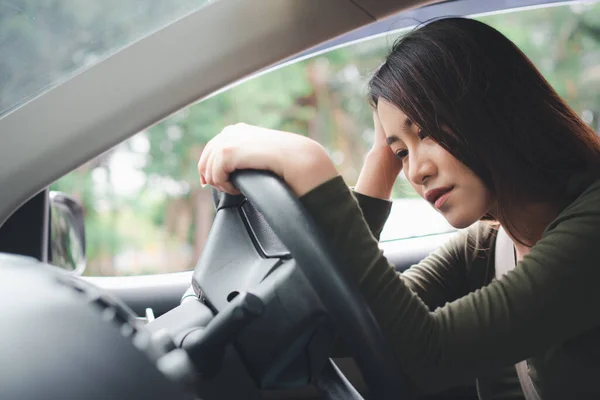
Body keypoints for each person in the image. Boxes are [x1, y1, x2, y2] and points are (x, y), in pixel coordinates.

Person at [197, 17, 600, 399]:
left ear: (492, 107)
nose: (416, 171)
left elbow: (430, 354)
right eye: (401, 153)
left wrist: (311, 169)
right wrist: (379, 161)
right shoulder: (490, 247)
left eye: (425, 131)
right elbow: (348, 325)